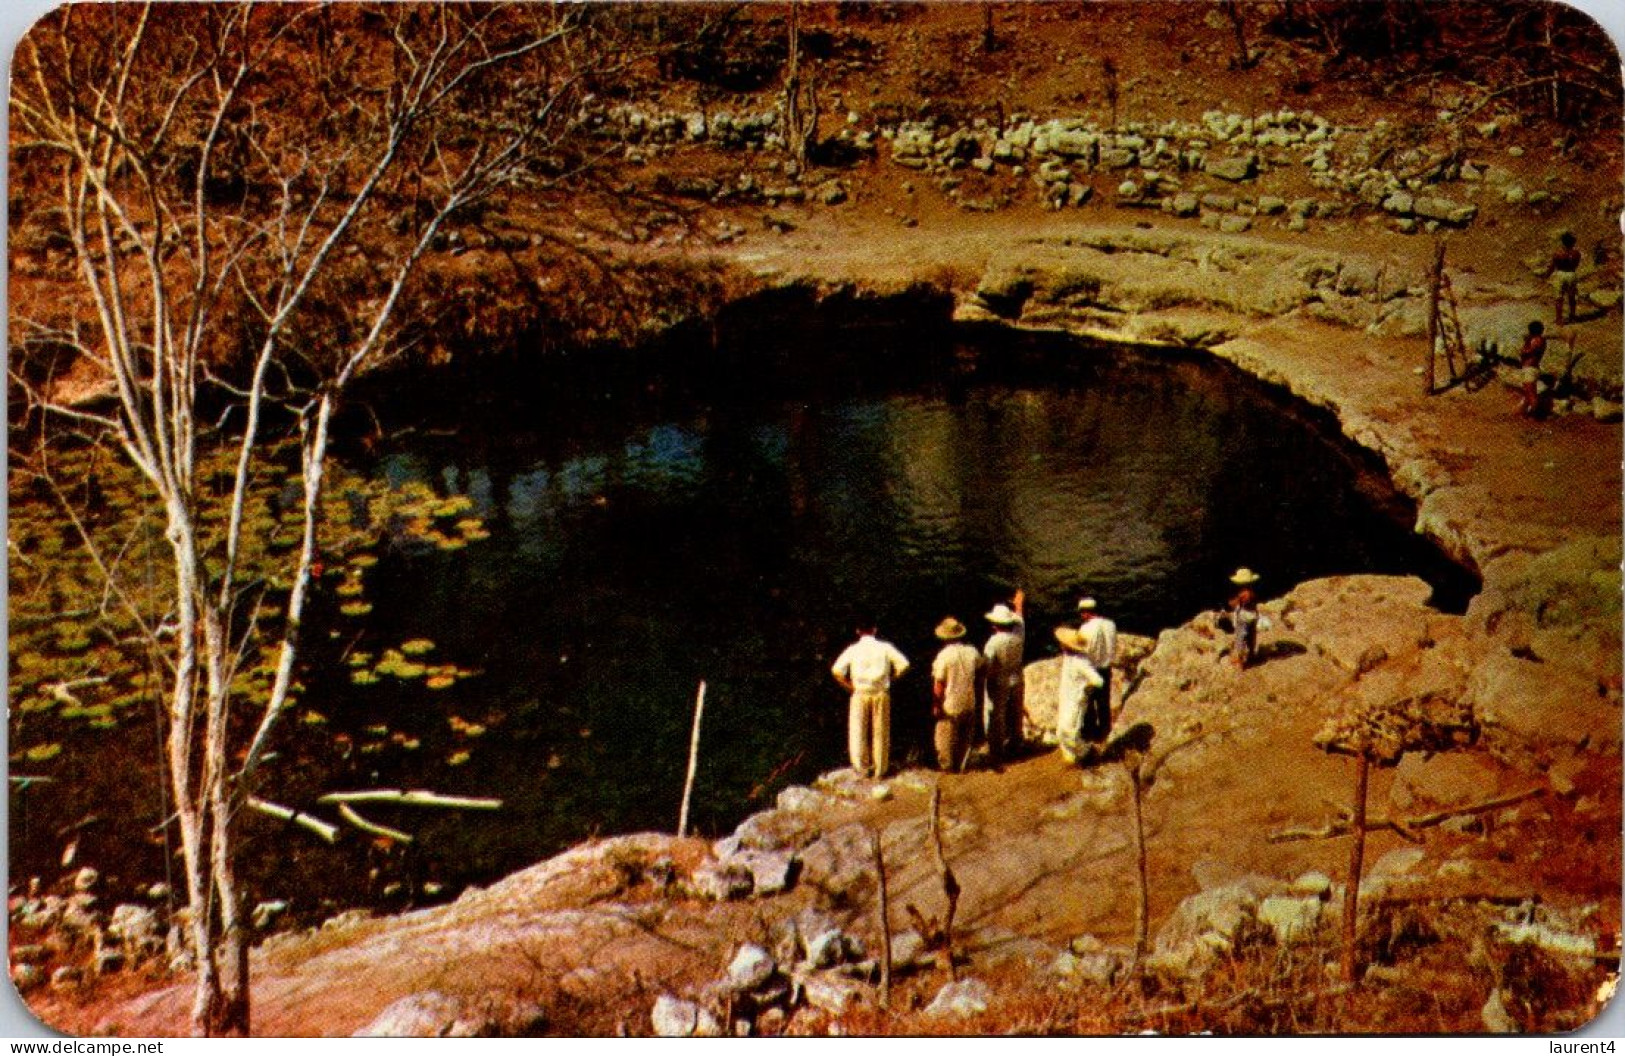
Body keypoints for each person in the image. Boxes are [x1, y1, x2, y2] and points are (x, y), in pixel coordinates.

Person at [831, 621, 910, 779]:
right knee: (880, 731)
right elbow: (904, 664)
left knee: (858, 731)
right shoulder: (885, 647)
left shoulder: (853, 649)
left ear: (857, 630)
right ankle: (880, 769)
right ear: (875, 629)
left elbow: (836, 670)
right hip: (880, 691)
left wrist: (850, 686)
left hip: (860, 692)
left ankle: (862, 768)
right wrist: (892, 679)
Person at [930, 617, 986, 773]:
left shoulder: (944, 656)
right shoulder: (972, 652)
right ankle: (962, 765)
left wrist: (936, 704)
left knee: (944, 739)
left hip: (950, 703)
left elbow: (939, 683)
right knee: (965, 737)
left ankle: (947, 769)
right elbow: (981, 670)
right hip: (969, 700)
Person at [981, 590, 1026, 762]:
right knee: (1016, 712)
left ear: (994, 624)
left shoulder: (993, 643)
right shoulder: (1019, 634)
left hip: (999, 681)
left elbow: (988, 665)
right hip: (1017, 677)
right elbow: (1020, 619)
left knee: (996, 715)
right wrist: (1018, 604)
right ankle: (1016, 742)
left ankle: (996, 750)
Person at [1053, 625, 1104, 763]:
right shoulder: (1069, 657)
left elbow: (1098, 681)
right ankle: (1073, 759)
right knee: (1061, 731)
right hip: (1066, 697)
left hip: (1076, 700)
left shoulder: (1081, 662)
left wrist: (1085, 691)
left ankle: (1087, 752)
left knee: (1069, 731)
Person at [1075, 597, 1118, 743]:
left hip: (1092, 668)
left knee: (1087, 702)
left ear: (1085, 612)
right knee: (1103, 702)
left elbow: (1083, 650)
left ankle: (1090, 732)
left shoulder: (1085, 628)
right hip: (1106, 668)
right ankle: (1105, 731)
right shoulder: (1110, 624)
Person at [1227, 568, 1261, 669]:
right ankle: (1251, 655)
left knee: (1240, 638)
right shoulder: (1252, 592)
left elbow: (1234, 603)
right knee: (1251, 636)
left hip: (1243, 617)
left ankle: (1239, 660)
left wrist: (1231, 602)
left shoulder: (1243, 594)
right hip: (1253, 615)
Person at [1517, 320, 1548, 418]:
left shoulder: (1537, 340)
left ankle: (1535, 416)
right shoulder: (1538, 339)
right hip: (1530, 368)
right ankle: (1525, 413)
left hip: (1530, 369)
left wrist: (1525, 344)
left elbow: (1526, 352)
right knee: (1527, 393)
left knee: (1531, 394)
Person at [1551, 231, 1582, 324]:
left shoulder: (1558, 253)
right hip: (1572, 274)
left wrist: (1546, 274)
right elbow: (1576, 264)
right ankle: (1572, 316)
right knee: (1572, 297)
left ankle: (1559, 319)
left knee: (1559, 298)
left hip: (1561, 274)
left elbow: (1553, 265)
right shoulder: (1576, 253)